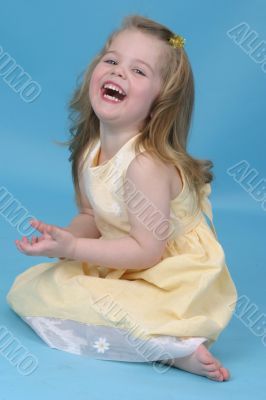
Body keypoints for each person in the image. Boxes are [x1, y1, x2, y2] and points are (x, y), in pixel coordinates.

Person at [7, 14, 237, 381]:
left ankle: (175, 348)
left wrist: (75, 250)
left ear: (161, 99)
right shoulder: (90, 148)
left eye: (139, 71)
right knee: (34, 289)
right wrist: (63, 239)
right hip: (122, 258)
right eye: (112, 61)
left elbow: (149, 252)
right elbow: (90, 214)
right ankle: (156, 340)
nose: (118, 73)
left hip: (170, 274)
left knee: (120, 309)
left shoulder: (144, 165)